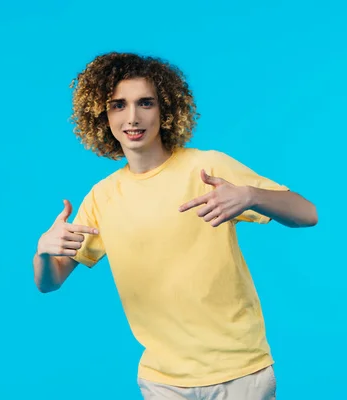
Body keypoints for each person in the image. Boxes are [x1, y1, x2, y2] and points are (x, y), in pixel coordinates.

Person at [32, 52, 317, 400]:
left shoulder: (207, 167)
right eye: (118, 105)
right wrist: (44, 252)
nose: (133, 117)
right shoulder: (103, 197)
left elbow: (307, 214)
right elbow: (50, 282)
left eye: (145, 103)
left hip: (240, 372)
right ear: (102, 116)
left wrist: (251, 195)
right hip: (163, 381)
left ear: (164, 109)